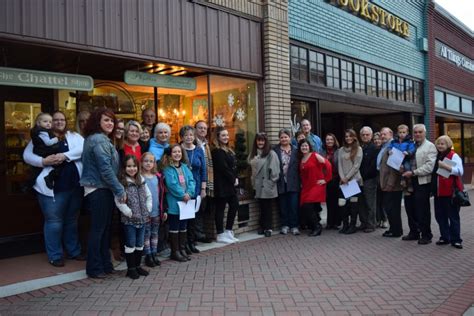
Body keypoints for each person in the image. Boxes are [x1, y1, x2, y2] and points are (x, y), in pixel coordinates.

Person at [23, 111, 85, 267]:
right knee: (54, 222)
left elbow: (84, 149)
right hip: (51, 189)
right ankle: (55, 255)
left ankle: (73, 251)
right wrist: (43, 161)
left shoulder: (73, 136)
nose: (59, 122)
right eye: (55, 120)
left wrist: (65, 156)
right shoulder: (41, 137)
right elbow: (27, 156)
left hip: (74, 187)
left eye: (62, 119)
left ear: (66, 121)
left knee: (71, 221)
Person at [81, 108, 126, 279]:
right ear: (97, 121)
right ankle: (94, 268)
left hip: (103, 189)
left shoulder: (101, 139)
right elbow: (106, 170)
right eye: (106, 120)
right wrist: (119, 189)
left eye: (112, 121)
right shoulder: (99, 140)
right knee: (99, 230)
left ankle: (104, 265)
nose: (110, 123)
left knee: (104, 229)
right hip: (98, 189)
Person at [115, 155, 152, 279]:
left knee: (140, 243)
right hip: (129, 220)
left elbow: (148, 195)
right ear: (124, 168)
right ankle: (130, 269)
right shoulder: (122, 183)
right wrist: (128, 212)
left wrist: (148, 208)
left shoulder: (141, 180)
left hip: (143, 218)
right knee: (130, 243)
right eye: (129, 166)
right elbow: (119, 201)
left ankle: (137, 266)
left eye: (134, 166)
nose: (132, 169)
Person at [402, 124, 437, 245]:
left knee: (422, 210)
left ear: (425, 133)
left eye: (420, 132)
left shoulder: (430, 147)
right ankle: (414, 232)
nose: (417, 134)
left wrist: (413, 173)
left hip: (422, 182)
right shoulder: (410, 145)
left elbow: (429, 167)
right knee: (409, 208)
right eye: (415, 132)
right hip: (408, 182)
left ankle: (426, 235)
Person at [162, 144, 196, 262]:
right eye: (174, 152)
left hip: (186, 203)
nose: (177, 154)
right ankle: (175, 252)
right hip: (175, 203)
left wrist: (190, 193)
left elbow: (192, 180)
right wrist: (183, 195)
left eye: (179, 152)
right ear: (170, 154)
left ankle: (182, 249)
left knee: (183, 227)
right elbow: (172, 185)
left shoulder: (185, 167)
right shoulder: (168, 169)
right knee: (174, 227)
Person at [432, 135, 464, 249]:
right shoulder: (437, 156)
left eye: (443, 144)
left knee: (453, 216)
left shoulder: (453, 155)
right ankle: (445, 237)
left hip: (450, 193)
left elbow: (460, 171)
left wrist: (446, 166)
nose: (440, 146)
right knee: (440, 216)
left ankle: (456, 240)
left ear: (448, 145)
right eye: (439, 143)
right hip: (438, 192)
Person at [179, 125, 206, 253]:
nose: (189, 137)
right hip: (184, 189)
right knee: (185, 218)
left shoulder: (199, 150)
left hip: (196, 187)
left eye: (191, 135)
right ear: (182, 137)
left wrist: (203, 188)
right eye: (186, 135)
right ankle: (184, 245)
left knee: (194, 217)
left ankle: (192, 242)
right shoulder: (178, 150)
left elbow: (203, 170)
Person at [248, 132, 280, 237]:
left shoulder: (271, 153)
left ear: (266, 142)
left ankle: (268, 227)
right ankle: (262, 226)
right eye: (258, 140)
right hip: (257, 185)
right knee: (261, 207)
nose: (260, 142)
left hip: (266, 185)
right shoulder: (253, 153)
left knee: (267, 208)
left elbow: (275, 171)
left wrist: (270, 183)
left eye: (262, 140)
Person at [211, 127, 240, 244]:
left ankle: (228, 231)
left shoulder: (229, 149)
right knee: (220, 208)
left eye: (227, 135)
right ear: (217, 137)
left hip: (230, 184)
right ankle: (220, 233)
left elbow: (233, 167)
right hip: (221, 184)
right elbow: (223, 168)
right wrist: (233, 179)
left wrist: (236, 178)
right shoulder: (217, 151)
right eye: (223, 135)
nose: (226, 137)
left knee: (234, 205)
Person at [298, 139, 332, 236]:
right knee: (307, 206)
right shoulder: (301, 159)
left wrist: (326, 179)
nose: (304, 148)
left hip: (317, 185)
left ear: (309, 147)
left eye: (306, 146)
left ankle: (317, 227)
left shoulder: (315, 155)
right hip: (306, 187)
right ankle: (314, 225)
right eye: (302, 146)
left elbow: (328, 165)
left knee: (308, 205)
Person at [141, 152, 167, 267]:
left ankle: (154, 253)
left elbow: (163, 194)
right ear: (141, 162)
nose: (148, 163)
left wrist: (164, 210)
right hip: (146, 211)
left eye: (151, 161)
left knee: (154, 232)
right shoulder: (140, 177)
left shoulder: (158, 177)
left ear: (154, 164)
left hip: (157, 210)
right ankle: (147, 255)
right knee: (146, 233)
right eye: (146, 161)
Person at [273, 129, 301, 236]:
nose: (284, 139)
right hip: (280, 182)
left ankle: (294, 226)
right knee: (283, 206)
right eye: (282, 137)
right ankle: (285, 225)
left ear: (290, 138)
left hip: (293, 181)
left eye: (286, 137)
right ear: (279, 138)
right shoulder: (275, 150)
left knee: (293, 205)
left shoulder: (296, 150)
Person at [378, 127, 403, 238]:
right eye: (381, 134)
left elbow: (394, 167)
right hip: (386, 183)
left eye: (385, 134)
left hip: (392, 185)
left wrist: (390, 184)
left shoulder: (394, 145)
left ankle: (396, 231)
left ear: (391, 134)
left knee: (393, 209)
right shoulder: (384, 146)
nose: (382, 136)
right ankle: (394, 229)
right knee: (389, 208)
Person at [337, 129, 363, 234]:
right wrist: (343, 178)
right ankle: (345, 225)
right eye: (346, 136)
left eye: (350, 136)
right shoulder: (341, 150)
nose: (348, 138)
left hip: (354, 181)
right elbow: (339, 165)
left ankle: (352, 226)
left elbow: (356, 166)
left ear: (354, 137)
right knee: (342, 204)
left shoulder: (358, 149)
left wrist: (347, 178)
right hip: (343, 182)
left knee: (353, 205)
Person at [29, 113, 63, 189]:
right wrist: (57, 139)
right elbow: (48, 143)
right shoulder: (42, 131)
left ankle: (30, 183)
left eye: (50, 122)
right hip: (44, 153)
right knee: (59, 166)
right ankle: (49, 178)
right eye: (45, 121)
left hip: (41, 153)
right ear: (38, 123)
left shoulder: (39, 131)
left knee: (36, 171)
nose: (48, 124)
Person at [194, 120, 214, 243]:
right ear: (195, 129)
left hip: (205, 181)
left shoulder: (207, 144)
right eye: (200, 128)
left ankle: (200, 233)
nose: (202, 130)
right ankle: (196, 235)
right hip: (195, 181)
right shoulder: (192, 143)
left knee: (202, 208)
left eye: (204, 128)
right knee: (196, 209)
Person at [358, 126, 378, 233]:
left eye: (367, 134)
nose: (365, 136)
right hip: (358, 180)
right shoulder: (360, 147)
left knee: (370, 203)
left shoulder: (374, 148)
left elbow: (373, 166)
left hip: (369, 179)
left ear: (371, 135)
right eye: (363, 135)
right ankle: (363, 222)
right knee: (361, 202)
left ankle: (371, 224)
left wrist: (363, 176)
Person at [322, 133, 341, 230]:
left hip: (337, 178)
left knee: (336, 201)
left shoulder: (339, 151)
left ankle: (336, 222)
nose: (329, 141)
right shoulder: (322, 152)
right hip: (327, 180)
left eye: (331, 140)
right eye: (327, 140)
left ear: (334, 141)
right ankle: (330, 222)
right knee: (329, 201)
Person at [388, 124, 416, 190]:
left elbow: (412, 149)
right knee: (395, 171)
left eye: (404, 132)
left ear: (407, 133)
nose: (402, 134)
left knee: (407, 167)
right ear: (397, 133)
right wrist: (389, 151)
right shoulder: (394, 141)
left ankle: (409, 183)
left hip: (405, 159)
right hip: (396, 160)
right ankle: (401, 181)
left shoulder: (409, 141)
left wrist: (408, 152)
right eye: (400, 132)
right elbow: (389, 147)